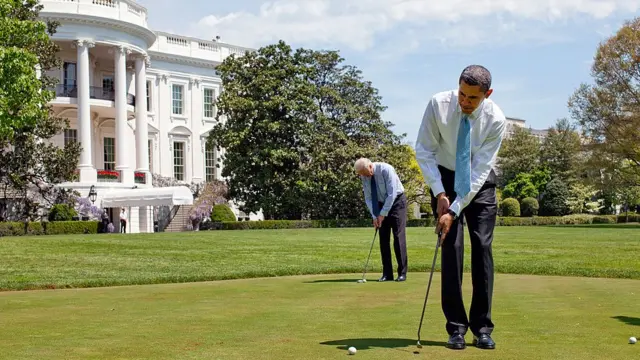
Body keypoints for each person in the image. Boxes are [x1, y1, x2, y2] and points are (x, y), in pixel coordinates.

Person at [414, 65, 506, 350]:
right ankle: (455, 328)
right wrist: (440, 192)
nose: (465, 102)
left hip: (479, 184)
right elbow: (424, 150)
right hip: (443, 176)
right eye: (462, 94)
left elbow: (479, 171)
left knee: (481, 248)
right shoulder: (438, 104)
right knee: (451, 249)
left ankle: (482, 328)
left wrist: (454, 209)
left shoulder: (496, 119)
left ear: (487, 94)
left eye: (473, 98)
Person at [355, 158, 408, 282]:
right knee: (383, 239)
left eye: (365, 173)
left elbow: (392, 194)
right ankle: (387, 274)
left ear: (370, 166)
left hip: (397, 203)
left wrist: (382, 214)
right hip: (379, 204)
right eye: (362, 175)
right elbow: (368, 198)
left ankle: (402, 273)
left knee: (398, 237)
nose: (365, 177)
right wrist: (375, 215)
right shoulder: (364, 176)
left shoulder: (386, 169)